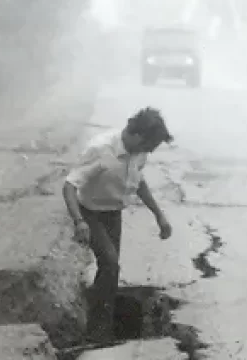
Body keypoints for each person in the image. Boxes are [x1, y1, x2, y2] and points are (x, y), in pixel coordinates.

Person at [63, 106, 174, 343]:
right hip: (90, 212)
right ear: (136, 135)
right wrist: (79, 222)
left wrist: (159, 215)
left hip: (114, 213)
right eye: (147, 147)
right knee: (111, 264)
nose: (148, 153)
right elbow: (69, 186)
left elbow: (140, 182)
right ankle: (96, 330)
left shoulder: (138, 152)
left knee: (110, 270)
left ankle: (103, 323)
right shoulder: (101, 150)